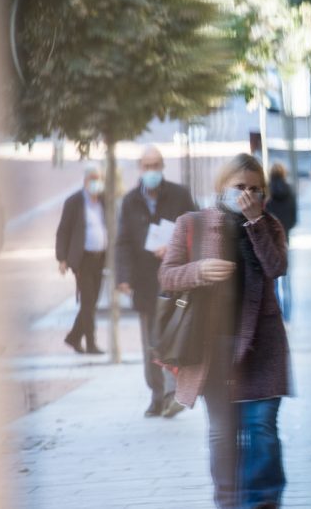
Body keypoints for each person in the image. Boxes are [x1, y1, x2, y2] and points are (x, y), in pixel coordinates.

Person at [159, 153, 291, 508]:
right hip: (211, 345)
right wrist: (199, 270)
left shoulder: (270, 224)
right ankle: (229, 501)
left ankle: (264, 500)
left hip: (262, 345)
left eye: (255, 189)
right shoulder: (191, 224)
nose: (247, 195)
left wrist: (255, 223)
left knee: (262, 428)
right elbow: (168, 275)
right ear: (222, 188)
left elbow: (276, 267)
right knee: (222, 432)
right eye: (240, 187)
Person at [115, 146, 196, 418]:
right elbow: (123, 242)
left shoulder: (180, 195)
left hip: (174, 280)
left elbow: (196, 231)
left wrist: (174, 248)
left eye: (156, 165)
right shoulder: (129, 202)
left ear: (163, 166)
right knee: (150, 342)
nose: (152, 171)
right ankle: (157, 395)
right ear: (140, 168)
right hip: (145, 282)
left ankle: (173, 394)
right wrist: (123, 278)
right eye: (147, 166)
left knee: (172, 337)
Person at [56, 165, 107, 355]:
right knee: (87, 302)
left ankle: (73, 337)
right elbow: (63, 231)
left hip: (100, 258)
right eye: (93, 178)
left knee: (92, 302)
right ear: (85, 181)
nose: (96, 182)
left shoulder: (104, 201)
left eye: (99, 178)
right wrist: (62, 258)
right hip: (82, 260)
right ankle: (91, 343)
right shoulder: (74, 202)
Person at [266, 163, 297, 322]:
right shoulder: (290, 192)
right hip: (285, 240)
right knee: (287, 280)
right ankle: (288, 315)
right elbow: (294, 218)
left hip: (270, 242)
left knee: (273, 281)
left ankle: (277, 314)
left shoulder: (267, 194)